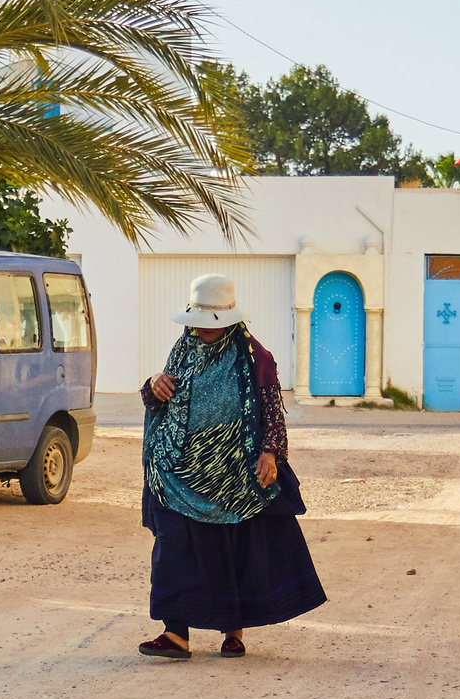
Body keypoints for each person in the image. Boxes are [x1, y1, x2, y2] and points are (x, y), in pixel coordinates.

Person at [137, 274, 327, 658]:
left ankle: (234, 633)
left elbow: (272, 410)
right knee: (174, 547)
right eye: (200, 324)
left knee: (232, 550)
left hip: (234, 478)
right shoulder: (182, 350)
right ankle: (176, 634)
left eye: (214, 325)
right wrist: (153, 384)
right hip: (179, 471)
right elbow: (162, 396)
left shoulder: (255, 357)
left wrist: (270, 453)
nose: (205, 332)